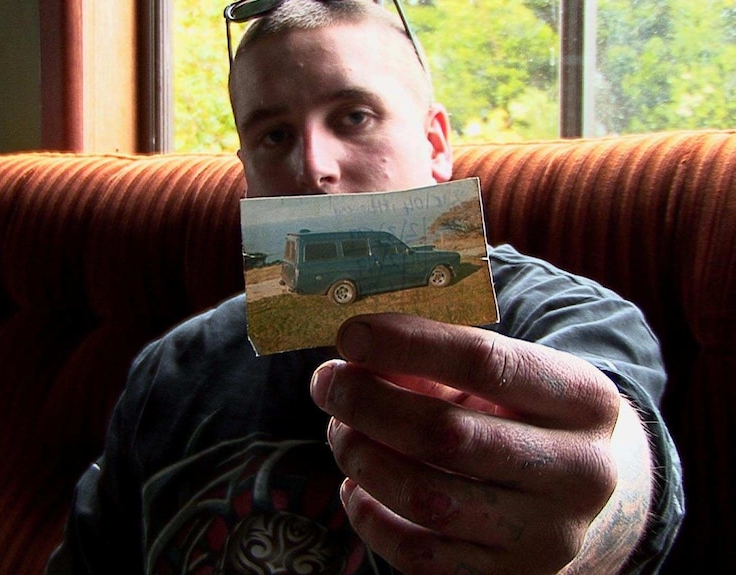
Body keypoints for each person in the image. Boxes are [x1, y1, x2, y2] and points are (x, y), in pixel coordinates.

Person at [47, 1, 683, 573]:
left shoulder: (561, 317)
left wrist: (594, 515)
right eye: (274, 135)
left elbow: (616, 454)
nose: (313, 166)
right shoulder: (171, 372)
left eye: (353, 116)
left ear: (436, 144)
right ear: (245, 171)